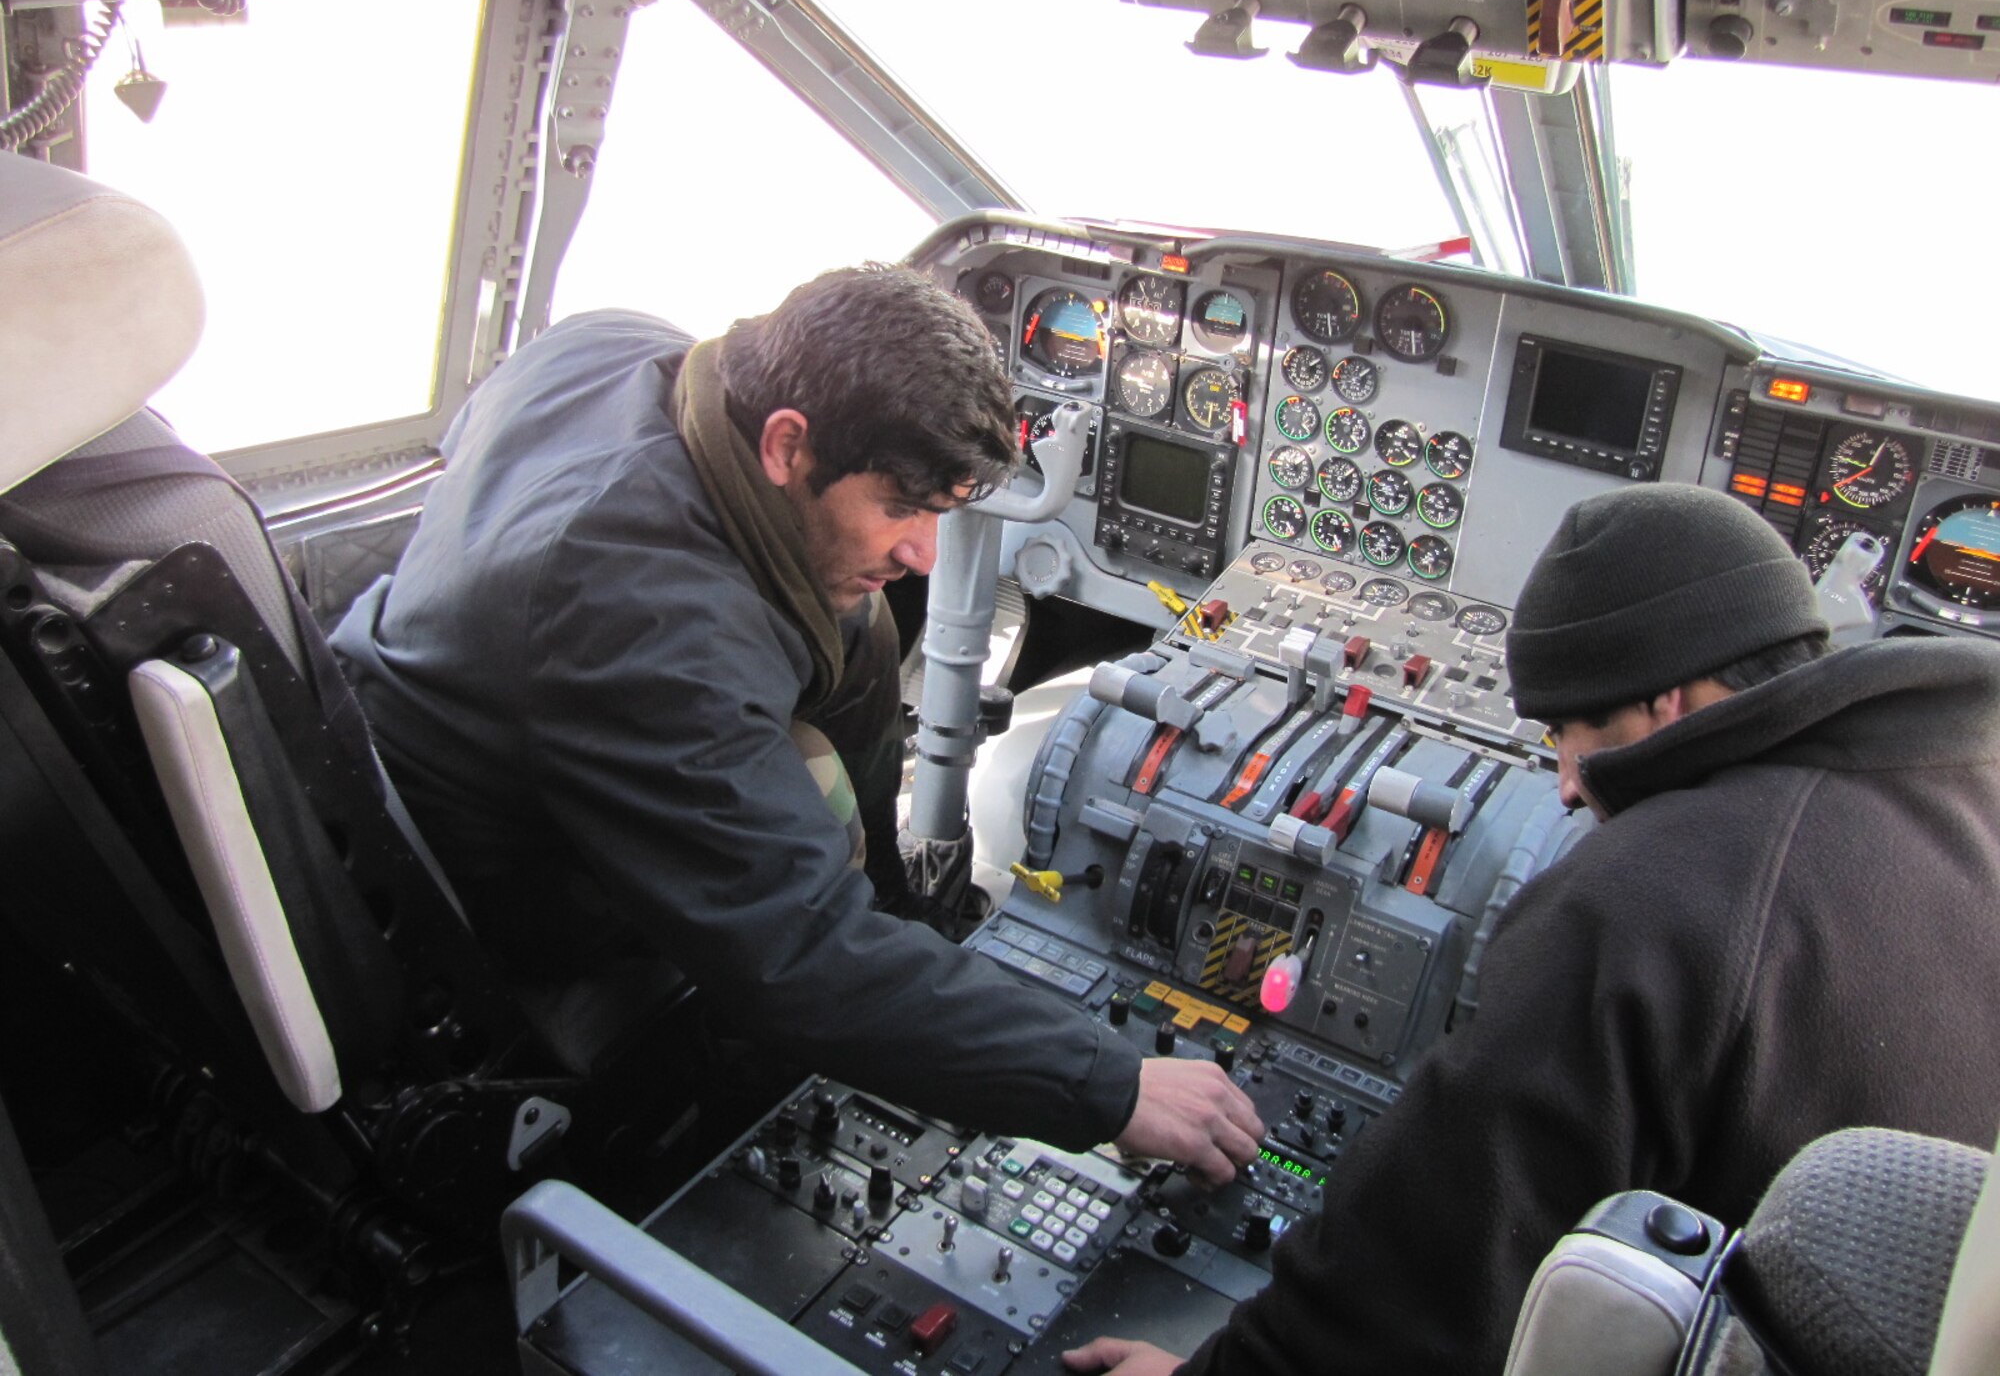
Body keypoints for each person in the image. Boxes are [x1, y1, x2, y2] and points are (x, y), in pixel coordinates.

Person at [331, 265, 1262, 1176]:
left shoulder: (612, 346)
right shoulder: (647, 627)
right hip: (488, 879)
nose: (925, 555)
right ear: (785, 444)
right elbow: (804, 955)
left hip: (413, 709)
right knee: (808, 825)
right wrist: (1109, 1085)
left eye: (943, 512)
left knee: (849, 609)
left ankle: (902, 911)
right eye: (900, 506)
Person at [1065, 482, 2000, 1375]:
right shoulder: (1964, 787)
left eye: (1566, 736)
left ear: (1664, 703)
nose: (1562, 784)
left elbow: (1420, 1284)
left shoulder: (1649, 893)